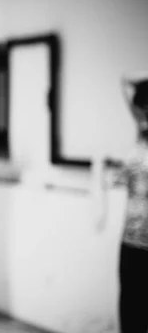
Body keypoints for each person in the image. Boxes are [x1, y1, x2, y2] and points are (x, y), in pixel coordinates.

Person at [96, 74, 148, 333]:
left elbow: (125, 86)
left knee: (135, 311)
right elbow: (123, 84)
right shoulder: (137, 149)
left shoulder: (139, 152)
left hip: (140, 244)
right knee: (130, 311)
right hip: (131, 243)